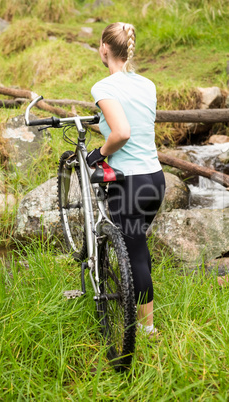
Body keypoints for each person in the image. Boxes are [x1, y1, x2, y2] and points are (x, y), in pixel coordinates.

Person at [86, 22, 165, 336]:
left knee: (135, 256)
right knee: (137, 246)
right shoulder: (147, 84)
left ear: (105, 48)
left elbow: (121, 132)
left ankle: (147, 331)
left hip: (129, 183)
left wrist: (99, 153)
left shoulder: (103, 87)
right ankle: (135, 308)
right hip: (154, 180)